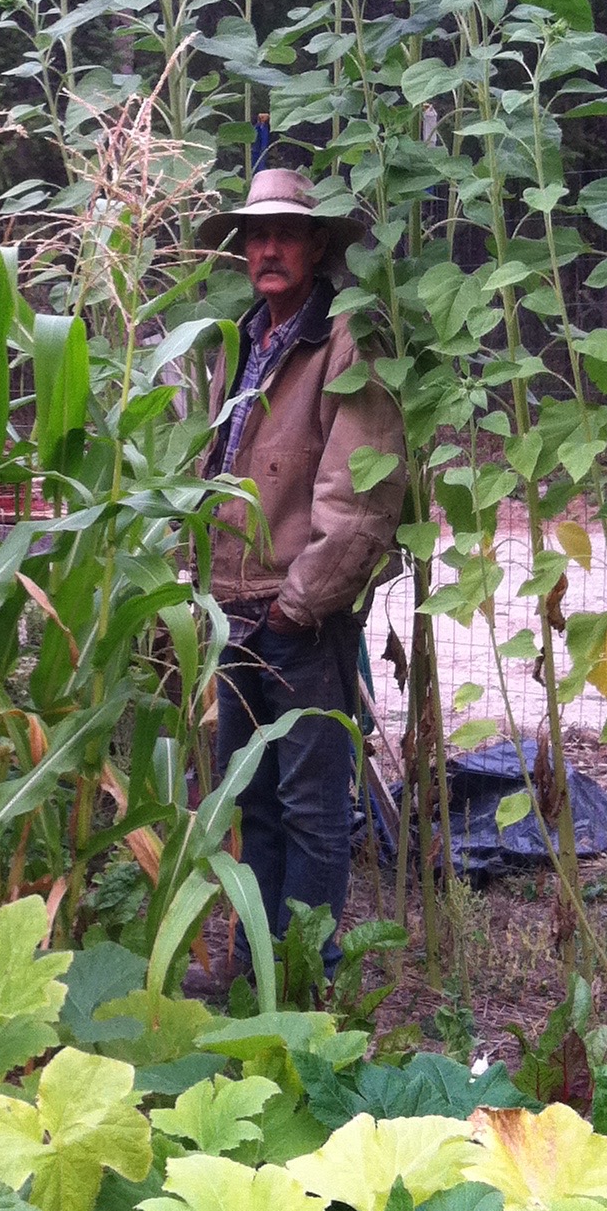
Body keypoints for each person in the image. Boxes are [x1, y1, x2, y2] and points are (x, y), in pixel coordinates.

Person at [196, 166, 407, 987]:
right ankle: (257, 971)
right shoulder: (244, 339)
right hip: (235, 612)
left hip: (297, 619)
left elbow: (362, 492)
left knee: (312, 809)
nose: (268, 249)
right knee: (251, 799)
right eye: (256, 235)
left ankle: (305, 980)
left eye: (286, 233)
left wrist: (299, 605)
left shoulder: (347, 339)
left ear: (319, 245)